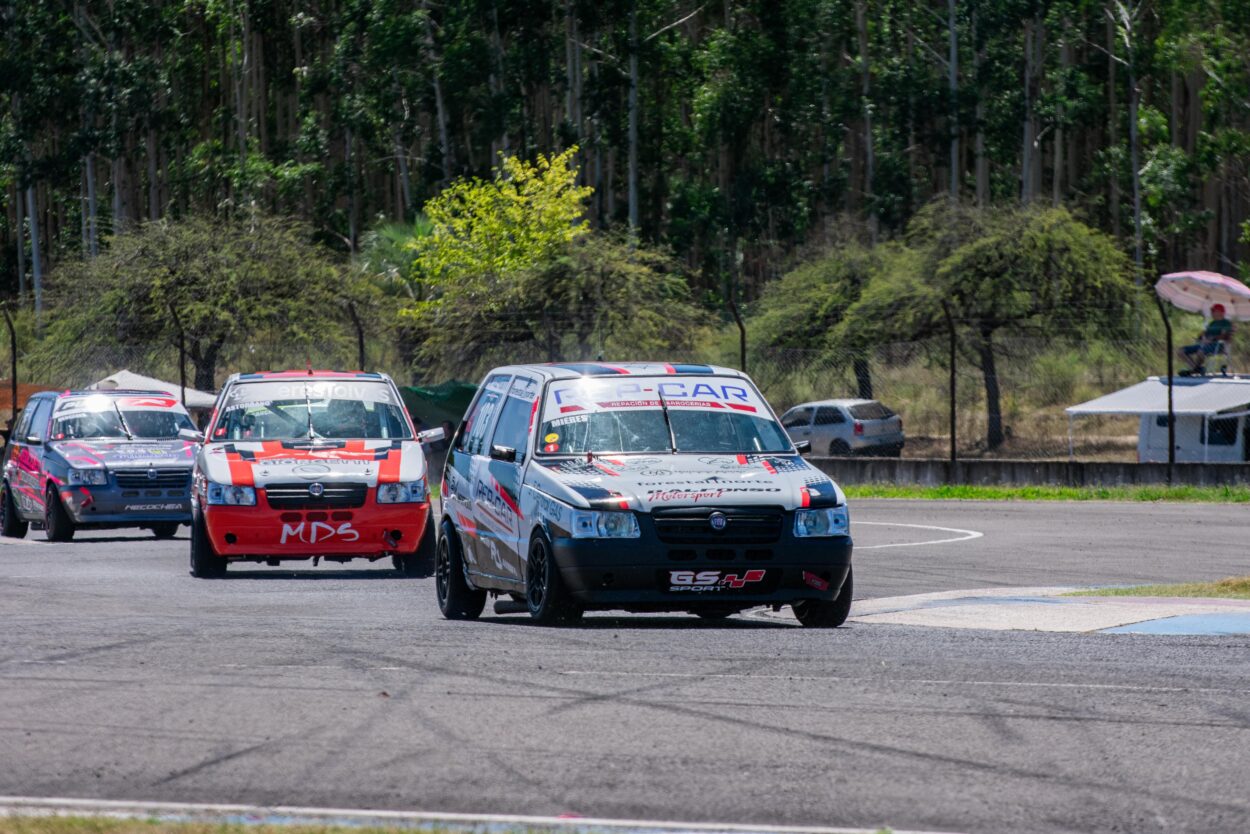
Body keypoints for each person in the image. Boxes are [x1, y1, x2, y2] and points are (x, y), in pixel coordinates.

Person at [1179, 303, 1233, 376]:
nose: (1212, 313)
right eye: (1212, 311)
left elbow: (1225, 336)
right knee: (1181, 351)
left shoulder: (1226, 323)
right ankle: (1197, 369)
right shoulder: (1212, 323)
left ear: (1220, 312)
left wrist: (1212, 339)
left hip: (1218, 345)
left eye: (1213, 311)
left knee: (1200, 352)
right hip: (1204, 344)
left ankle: (1195, 370)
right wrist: (1201, 336)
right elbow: (1204, 335)